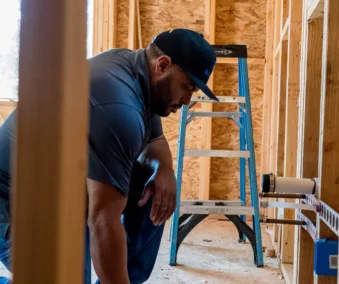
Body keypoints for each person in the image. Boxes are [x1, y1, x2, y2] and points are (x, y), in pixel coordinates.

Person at [0, 28, 218, 284]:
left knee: (152, 179)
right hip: (15, 202)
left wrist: (164, 169)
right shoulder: (118, 106)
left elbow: (155, 139)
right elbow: (103, 219)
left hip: (59, 193)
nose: (186, 101)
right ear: (163, 65)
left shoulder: (137, 73)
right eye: (187, 87)